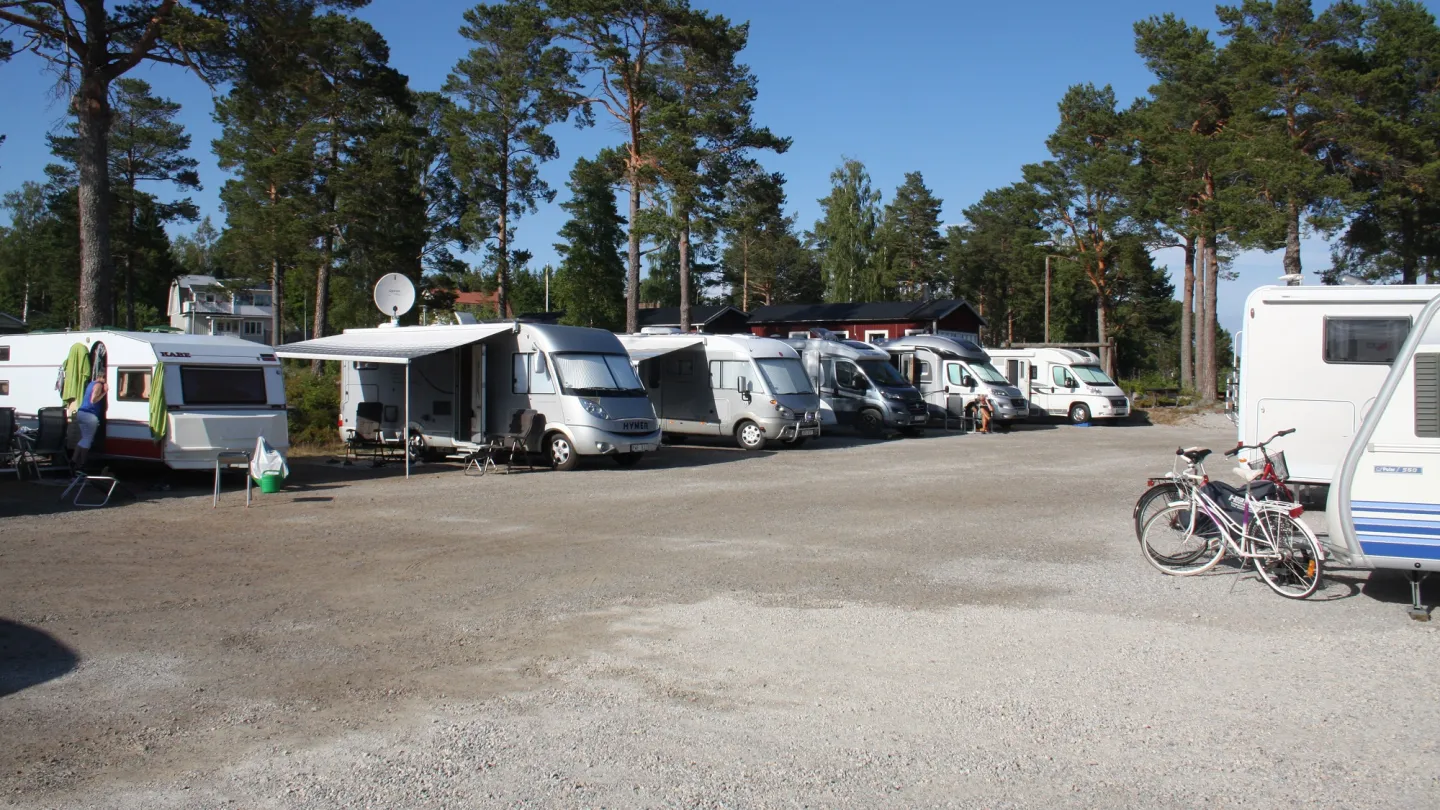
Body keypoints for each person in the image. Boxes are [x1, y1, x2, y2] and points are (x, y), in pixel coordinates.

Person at [72, 375, 106, 470]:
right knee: (88, 439)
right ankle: (82, 463)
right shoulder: (99, 385)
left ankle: (74, 460)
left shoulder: (91, 384)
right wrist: (105, 392)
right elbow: (93, 400)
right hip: (90, 415)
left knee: (84, 438)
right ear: (103, 377)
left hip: (81, 413)